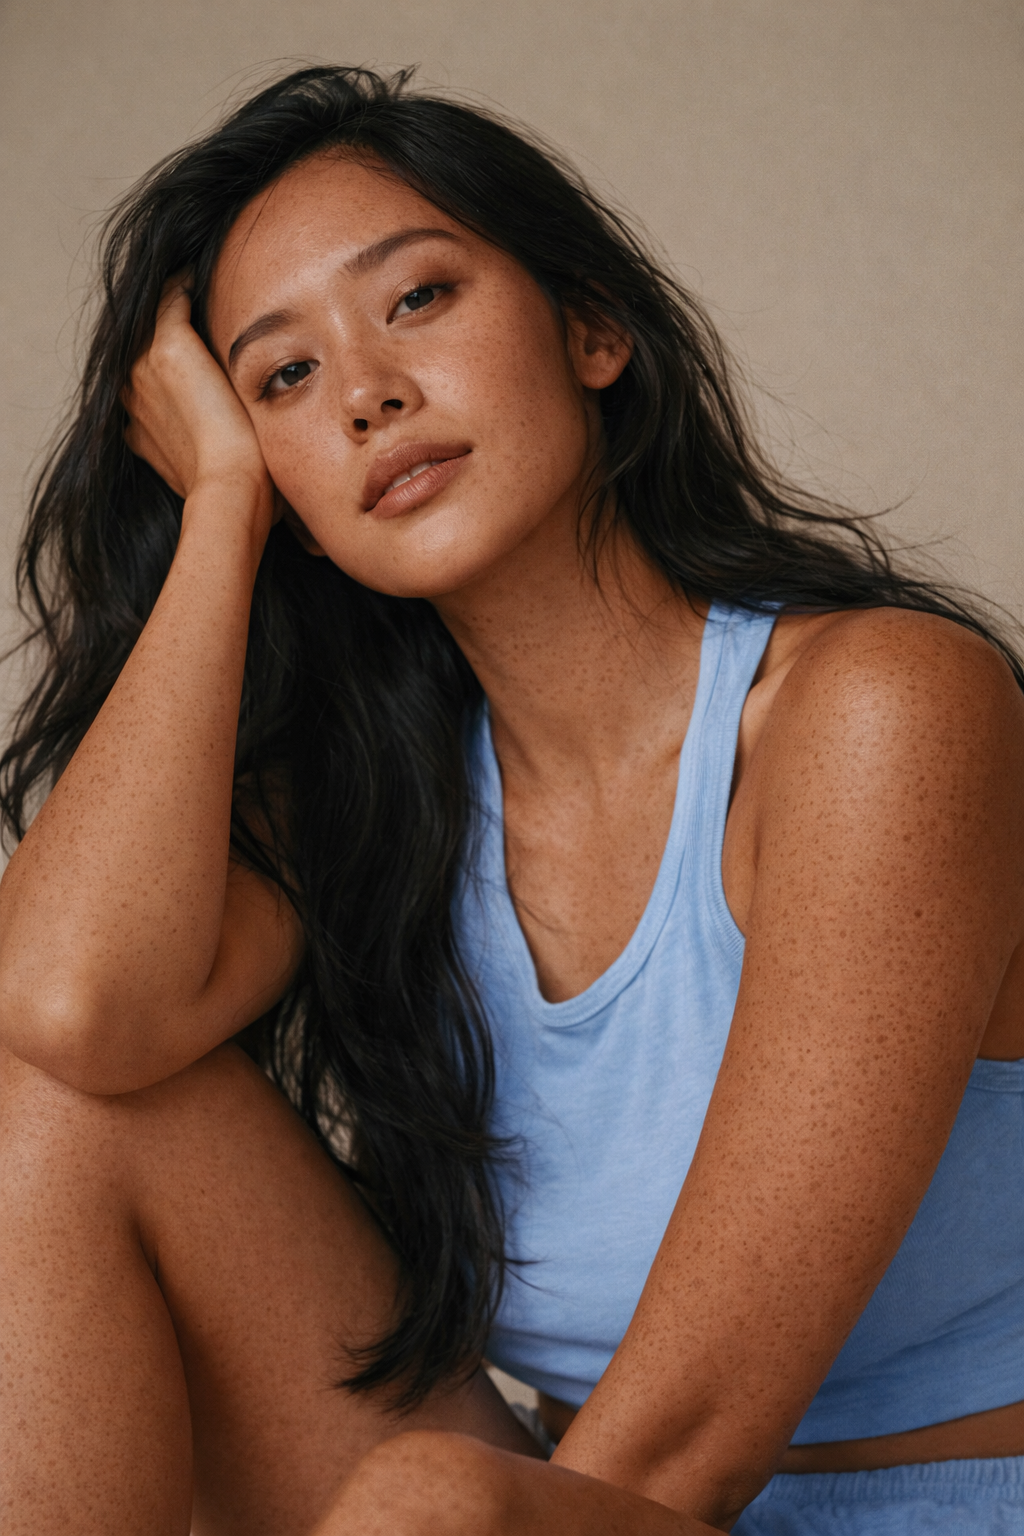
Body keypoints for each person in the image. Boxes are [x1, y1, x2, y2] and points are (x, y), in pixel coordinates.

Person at [0, 64, 1020, 1536]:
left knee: (433, 1504)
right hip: (560, 1508)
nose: (367, 394)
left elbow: (683, 1459)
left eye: (416, 299)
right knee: (53, 1108)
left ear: (591, 327)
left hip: (911, 1505)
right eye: (280, 378)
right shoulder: (378, 805)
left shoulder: (880, 714)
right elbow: (64, 1012)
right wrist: (223, 509)